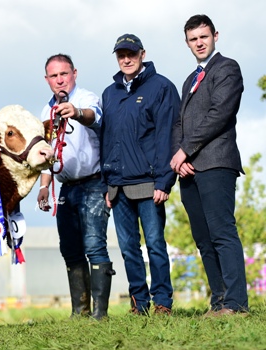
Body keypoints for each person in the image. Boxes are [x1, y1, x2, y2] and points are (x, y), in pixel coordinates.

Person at [170, 14, 249, 316]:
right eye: (193, 39)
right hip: (188, 169)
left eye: (204, 36)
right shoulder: (190, 80)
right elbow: (180, 122)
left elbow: (219, 114)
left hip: (216, 163)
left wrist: (186, 150)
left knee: (222, 232)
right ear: (187, 42)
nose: (199, 43)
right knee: (203, 238)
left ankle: (236, 304)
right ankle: (219, 302)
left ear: (215, 35)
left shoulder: (227, 68)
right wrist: (180, 155)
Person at [100, 35, 180, 315]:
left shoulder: (162, 87)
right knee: (128, 248)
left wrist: (164, 180)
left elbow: (168, 136)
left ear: (142, 54)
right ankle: (139, 303)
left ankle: (162, 302)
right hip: (117, 186)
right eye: (121, 54)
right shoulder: (109, 93)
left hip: (149, 183)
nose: (126, 59)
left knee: (156, 244)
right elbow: (106, 139)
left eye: (131, 53)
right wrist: (106, 183)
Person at [36, 54, 114, 320]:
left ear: (74, 74)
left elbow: (97, 117)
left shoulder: (87, 98)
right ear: (47, 80)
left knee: (94, 245)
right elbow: (46, 153)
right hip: (65, 187)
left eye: (64, 74)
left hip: (93, 183)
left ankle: (100, 313)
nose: (60, 80)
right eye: (54, 76)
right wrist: (44, 185)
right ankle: (79, 311)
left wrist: (77, 113)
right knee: (69, 248)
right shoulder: (46, 112)